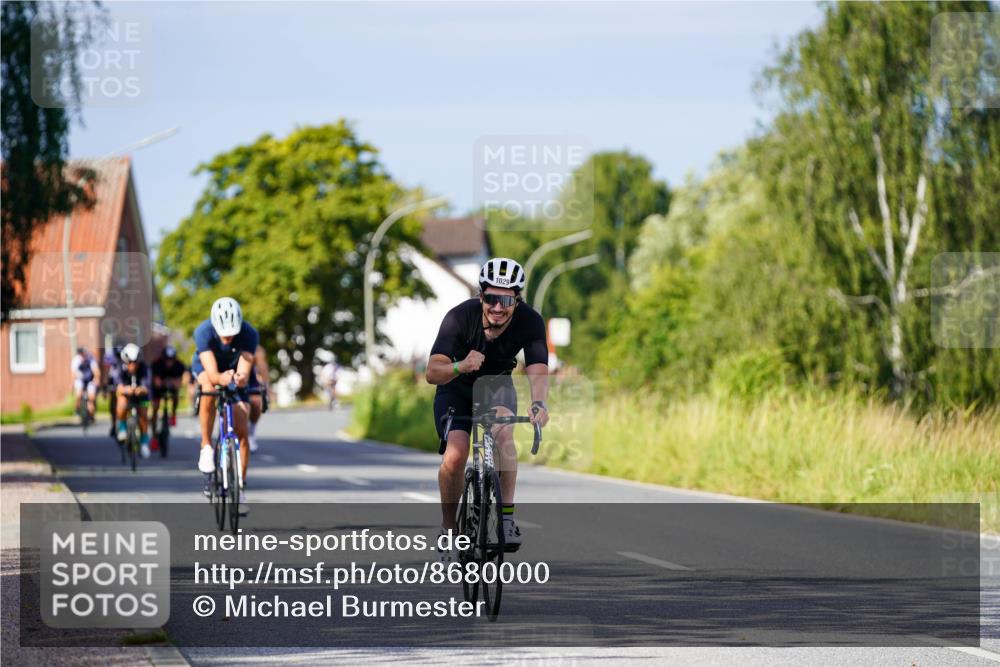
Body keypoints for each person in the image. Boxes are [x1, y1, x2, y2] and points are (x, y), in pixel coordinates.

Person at [425, 258, 549, 562]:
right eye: (491, 298)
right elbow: (432, 372)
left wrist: (539, 403)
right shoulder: (459, 317)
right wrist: (461, 365)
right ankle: (448, 529)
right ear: (481, 297)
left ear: (517, 301)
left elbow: (538, 368)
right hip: (456, 387)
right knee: (455, 455)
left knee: (505, 435)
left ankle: (506, 519)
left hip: (496, 387)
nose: (498, 307)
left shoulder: (530, 321)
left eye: (506, 300)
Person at [192, 297, 261, 510]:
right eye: (224, 333)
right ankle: (206, 445)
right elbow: (212, 374)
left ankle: (239, 490)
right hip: (209, 369)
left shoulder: (249, 334)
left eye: (232, 332)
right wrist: (222, 378)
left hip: (234, 369)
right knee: (209, 388)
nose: (228, 337)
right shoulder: (203, 332)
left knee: (242, 430)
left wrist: (239, 379)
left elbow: (244, 370)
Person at [115, 343, 152, 458]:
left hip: (141, 395)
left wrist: (141, 389)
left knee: (144, 415)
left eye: (135, 362)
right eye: (130, 362)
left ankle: (144, 443)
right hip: (126, 394)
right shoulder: (120, 368)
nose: (133, 365)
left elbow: (147, 386)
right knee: (121, 401)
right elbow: (119, 387)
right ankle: (122, 428)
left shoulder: (144, 368)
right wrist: (126, 389)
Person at [150, 345, 187, 451]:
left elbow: (180, 382)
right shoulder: (157, 364)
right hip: (158, 389)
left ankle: (173, 414)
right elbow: (156, 382)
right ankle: (154, 436)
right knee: (155, 408)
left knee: (175, 396)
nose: (169, 362)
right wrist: (162, 382)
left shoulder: (179, 365)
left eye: (171, 360)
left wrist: (174, 383)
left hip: (171, 387)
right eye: (167, 360)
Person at [248, 344, 269, 453]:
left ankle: (251, 431)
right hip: (229, 375)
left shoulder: (256, 348)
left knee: (256, 402)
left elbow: (262, 367)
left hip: (248, 378)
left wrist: (265, 388)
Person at [70, 347, 100, 422]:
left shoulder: (91, 359)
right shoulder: (76, 360)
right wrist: (72, 384)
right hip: (80, 379)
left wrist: (96, 379)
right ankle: (77, 409)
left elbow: (96, 371)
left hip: (90, 379)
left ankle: (92, 414)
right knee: (79, 395)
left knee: (91, 397)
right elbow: (73, 373)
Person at [102, 345, 122, 438]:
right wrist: (105, 388)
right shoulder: (110, 357)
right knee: (113, 402)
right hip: (113, 382)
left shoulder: (126, 357)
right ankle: (114, 424)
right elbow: (106, 373)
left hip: (123, 382)